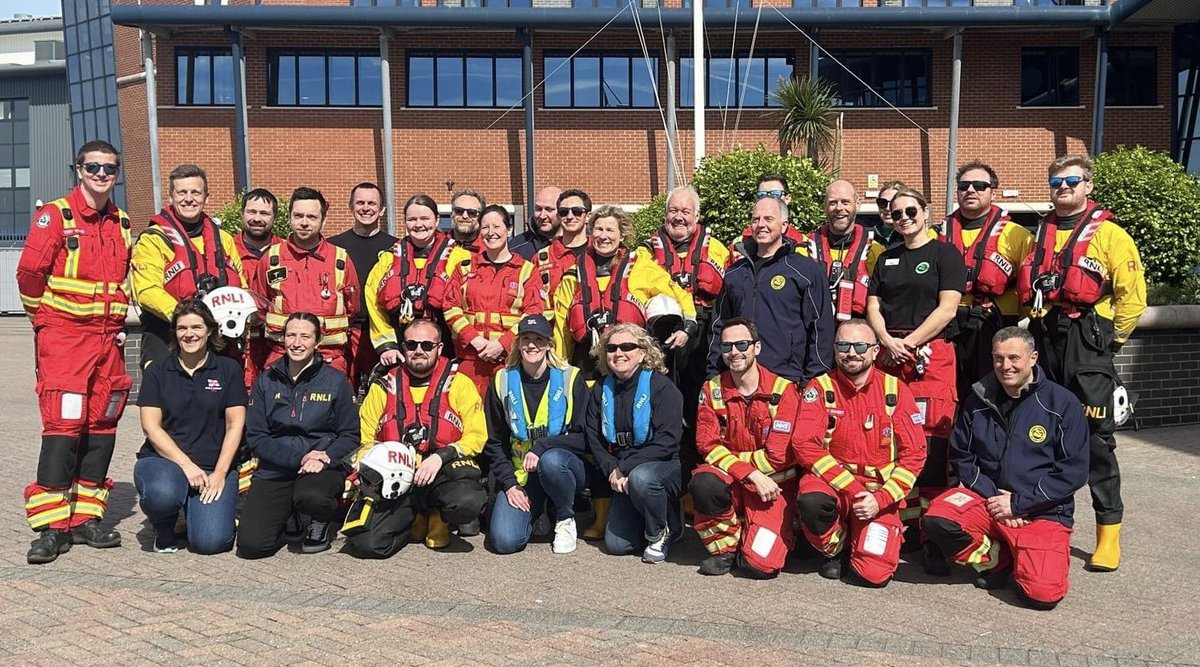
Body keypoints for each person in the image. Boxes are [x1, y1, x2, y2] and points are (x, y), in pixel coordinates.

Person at [1016, 154, 1146, 572]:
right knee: (1042, 431)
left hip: (1086, 343)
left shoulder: (1111, 235)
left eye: (1072, 180)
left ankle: (1108, 534)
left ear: (1088, 185)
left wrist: (1107, 341)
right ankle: (1047, 519)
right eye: (1056, 182)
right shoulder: (1040, 235)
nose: (1063, 188)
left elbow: (1133, 297)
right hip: (1045, 336)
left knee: (1095, 441)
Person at [18, 139, 133, 564]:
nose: (102, 175)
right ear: (78, 170)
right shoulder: (56, 217)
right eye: (94, 167)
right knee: (63, 430)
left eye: (109, 169)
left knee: (102, 428)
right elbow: (29, 275)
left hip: (108, 343)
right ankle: (53, 527)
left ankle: (86, 519)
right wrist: (44, 324)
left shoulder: (120, 222)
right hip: (65, 342)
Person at [923, 327, 1088, 609]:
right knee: (938, 518)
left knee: (1041, 595)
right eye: (998, 358)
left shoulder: (1063, 404)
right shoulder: (978, 398)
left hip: (1042, 510)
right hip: (989, 500)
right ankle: (997, 558)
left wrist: (1021, 504)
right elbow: (962, 456)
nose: (1005, 366)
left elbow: (1074, 471)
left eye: (1014, 358)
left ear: (1033, 358)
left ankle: (1023, 558)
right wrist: (995, 499)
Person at [866, 187, 966, 574]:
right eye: (896, 213)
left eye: (911, 210)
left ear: (926, 212)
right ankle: (902, 530)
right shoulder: (887, 258)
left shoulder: (945, 254)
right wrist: (888, 342)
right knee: (890, 442)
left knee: (930, 447)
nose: (904, 217)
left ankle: (933, 540)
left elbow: (948, 308)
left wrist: (909, 342)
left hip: (930, 357)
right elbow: (872, 306)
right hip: (891, 356)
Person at [792, 319, 927, 586]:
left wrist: (882, 498)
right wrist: (853, 491)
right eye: (843, 345)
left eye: (860, 345)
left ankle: (862, 539)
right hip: (836, 487)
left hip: (879, 494)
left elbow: (915, 454)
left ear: (876, 351)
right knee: (811, 501)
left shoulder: (896, 390)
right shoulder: (819, 388)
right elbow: (804, 444)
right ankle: (836, 548)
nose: (851, 352)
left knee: (872, 575)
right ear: (834, 349)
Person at [344, 319, 488, 558]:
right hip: (396, 479)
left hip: (440, 471)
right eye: (411, 345)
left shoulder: (460, 384)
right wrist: (365, 475)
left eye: (426, 345)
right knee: (367, 545)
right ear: (403, 348)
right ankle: (412, 519)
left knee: (467, 500)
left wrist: (442, 456)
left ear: (439, 348)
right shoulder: (382, 386)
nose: (418, 351)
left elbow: (477, 435)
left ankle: (438, 515)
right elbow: (365, 439)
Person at [237, 313, 359, 558]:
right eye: (291, 335)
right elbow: (257, 437)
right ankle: (288, 518)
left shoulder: (336, 382)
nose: (297, 342)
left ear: (318, 341)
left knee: (312, 497)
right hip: (277, 468)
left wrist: (325, 457)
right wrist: (300, 458)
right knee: (252, 547)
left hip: (321, 468)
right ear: (283, 339)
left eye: (305, 336)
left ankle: (323, 520)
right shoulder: (266, 381)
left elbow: (350, 435)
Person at [134, 300, 247, 554]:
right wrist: (186, 465)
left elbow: (235, 424)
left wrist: (220, 473)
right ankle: (164, 526)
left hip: (212, 467)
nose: (189, 334)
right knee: (162, 494)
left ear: (209, 330)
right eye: (182, 328)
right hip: (166, 462)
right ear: (174, 332)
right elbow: (151, 427)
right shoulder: (159, 371)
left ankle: (191, 513)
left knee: (210, 543)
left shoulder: (228, 369)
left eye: (196, 327)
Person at [690, 318, 800, 578]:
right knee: (704, 481)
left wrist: (733, 463)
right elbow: (706, 444)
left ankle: (769, 535)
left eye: (742, 344)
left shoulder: (783, 391)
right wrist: (749, 474)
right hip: (739, 482)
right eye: (727, 346)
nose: (734, 352)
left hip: (772, 491)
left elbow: (778, 455)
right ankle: (724, 550)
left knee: (760, 567)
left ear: (756, 348)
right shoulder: (712, 389)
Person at [482, 315, 593, 555]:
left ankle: (564, 516)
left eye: (539, 339)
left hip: (563, 467)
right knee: (504, 542)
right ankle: (539, 511)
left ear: (549, 344)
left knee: (552, 462)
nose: (532, 345)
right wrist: (510, 485)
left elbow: (585, 438)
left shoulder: (570, 378)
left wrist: (542, 446)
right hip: (521, 474)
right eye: (526, 339)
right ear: (518, 343)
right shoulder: (501, 381)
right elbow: (495, 442)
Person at [641, 185, 730, 480]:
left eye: (685, 211)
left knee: (698, 404)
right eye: (673, 211)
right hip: (659, 334)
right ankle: (659, 473)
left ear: (697, 216)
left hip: (701, 335)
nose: (678, 217)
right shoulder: (644, 250)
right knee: (660, 406)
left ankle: (696, 472)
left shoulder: (716, 248)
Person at [552, 205, 696, 379]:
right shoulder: (574, 275)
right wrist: (559, 371)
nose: (603, 236)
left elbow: (679, 294)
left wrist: (687, 327)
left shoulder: (641, 267)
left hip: (629, 367)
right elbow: (561, 330)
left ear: (622, 235)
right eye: (598, 229)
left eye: (610, 230)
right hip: (587, 366)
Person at [585, 324, 684, 563]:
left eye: (627, 346)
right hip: (621, 470)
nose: (618, 353)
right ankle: (651, 514)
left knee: (642, 478)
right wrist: (611, 468)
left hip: (662, 466)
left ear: (642, 352)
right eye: (611, 348)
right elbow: (593, 437)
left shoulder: (661, 387)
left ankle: (662, 530)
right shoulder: (600, 389)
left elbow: (668, 440)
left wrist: (626, 467)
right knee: (618, 545)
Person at [709, 196, 834, 384]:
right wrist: (714, 375)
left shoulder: (805, 270)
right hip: (739, 380)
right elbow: (718, 326)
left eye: (768, 219)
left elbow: (821, 330)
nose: (761, 225)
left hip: (787, 379)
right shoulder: (735, 272)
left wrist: (813, 382)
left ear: (784, 226)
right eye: (755, 219)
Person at [131, 164, 244, 370]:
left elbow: (240, 286)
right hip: (168, 336)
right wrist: (188, 318)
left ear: (206, 197)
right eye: (182, 192)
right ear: (171, 197)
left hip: (218, 338)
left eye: (195, 192)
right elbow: (147, 291)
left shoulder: (224, 240)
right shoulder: (153, 239)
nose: (189, 198)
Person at [941, 161, 1033, 398]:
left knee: (994, 392)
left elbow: (1030, 287)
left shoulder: (1017, 235)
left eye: (980, 185)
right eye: (964, 185)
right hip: (949, 326)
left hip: (995, 324)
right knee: (952, 393)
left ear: (993, 191)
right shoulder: (937, 233)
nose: (971, 190)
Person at [253, 187, 360, 375]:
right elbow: (259, 306)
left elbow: (352, 309)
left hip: (329, 359)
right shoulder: (271, 258)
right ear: (289, 218)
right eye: (298, 216)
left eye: (311, 217)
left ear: (323, 220)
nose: (304, 223)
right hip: (281, 358)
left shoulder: (340, 260)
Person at [444, 205, 547, 395]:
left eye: (496, 227)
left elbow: (533, 312)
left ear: (508, 230)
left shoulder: (526, 270)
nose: (490, 233)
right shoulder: (465, 268)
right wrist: (474, 340)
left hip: (510, 359)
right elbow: (450, 307)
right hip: (470, 359)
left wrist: (501, 345)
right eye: (485, 227)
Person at [365, 194, 458, 365]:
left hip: (446, 350)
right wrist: (387, 345)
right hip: (400, 351)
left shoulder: (459, 258)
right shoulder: (388, 259)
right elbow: (372, 301)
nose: (419, 224)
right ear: (405, 222)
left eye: (425, 218)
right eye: (412, 219)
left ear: (436, 220)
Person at [329, 182, 399, 393]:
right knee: (342, 392)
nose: (366, 208)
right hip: (346, 333)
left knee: (384, 392)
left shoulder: (396, 248)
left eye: (372, 203)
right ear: (351, 207)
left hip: (383, 332)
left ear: (382, 209)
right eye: (360, 203)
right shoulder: (334, 247)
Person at [804, 179, 877, 321]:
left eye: (845, 202)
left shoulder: (875, 250)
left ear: (857, 204)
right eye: (832, 202)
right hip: (817, 329)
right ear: (824, 207)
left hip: (858, 333)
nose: (839, 208)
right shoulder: (804, 248)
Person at [235, 188, 280, 389]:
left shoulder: (286, 252)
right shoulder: (225, 250)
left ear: (274, 218)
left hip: (276, 345)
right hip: (236, 347)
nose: (257, 218)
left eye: (264, 213)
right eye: (251, 212)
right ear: (242, 213)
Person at [541, 189, 593, 296]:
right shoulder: (541, 258)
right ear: (558, 216)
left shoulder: (600, 253)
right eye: (563, 212)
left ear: (588, 216)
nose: (570, 216)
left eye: (577, 211)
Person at [737, 173, 806, 244]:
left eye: (775, 194)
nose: (769, 199)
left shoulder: (802, 244)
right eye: (762, 195)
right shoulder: (740, 243)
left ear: (787, 199)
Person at [509, 185, 561, 262]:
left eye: (549, 209)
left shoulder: (575, 244)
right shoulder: (516, 247)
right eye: (538, 209)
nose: (542, 216)